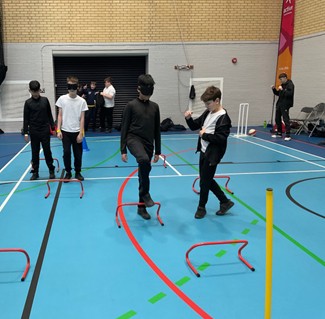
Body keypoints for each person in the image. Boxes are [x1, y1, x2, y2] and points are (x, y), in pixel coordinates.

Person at [184, 86, 234, 219]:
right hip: (203, 151)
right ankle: (225, 202)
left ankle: (201, 207)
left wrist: (204, 135)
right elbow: (195, 126)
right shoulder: (208, 113)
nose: (207, 106)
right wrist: (188, 118)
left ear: (217, 100)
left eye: (208, 103)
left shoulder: (223, 118)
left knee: (205, 182)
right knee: (207, 179)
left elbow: (221, 138)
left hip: (213, 154)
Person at [120, 74, 161, 220]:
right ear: (138, 88)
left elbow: (157, 130)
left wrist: (158, 151)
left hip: (149, 143)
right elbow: (124, 128)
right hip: (133, 139)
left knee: (144, 173)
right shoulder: (131, 106)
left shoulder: (155, 107)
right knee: (143, 160)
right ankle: (145, 193)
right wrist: (123, 149)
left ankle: (141, 207)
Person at [56, 75, 88, 181]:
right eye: (70, 86)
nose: (72, 89)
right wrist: (58, 130)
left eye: (74, 86)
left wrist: (81, 133)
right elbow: (59, 115)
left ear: (77, 87)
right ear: (67, 87)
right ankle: (68, 172)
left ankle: (78, 172)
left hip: (77, 132)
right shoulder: (62, 99)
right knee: (66, 153)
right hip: (65, 131)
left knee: (78, 154)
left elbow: (82, 118)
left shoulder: (82, 101)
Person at [23, 80, 56, 180]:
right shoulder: (28, 103)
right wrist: (25, 132)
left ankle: (51, 170)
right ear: (30, 91)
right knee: (34, 152)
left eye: (37, 91)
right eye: (34, 92)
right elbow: (26, 119)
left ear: (39, 90)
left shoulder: (45, 100)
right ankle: (35, 172)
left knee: (47, 151)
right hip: (34, 131)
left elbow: (50, 115)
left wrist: (53, 128)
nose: (36, 94)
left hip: (45, 130)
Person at [271, 73, 295, 141]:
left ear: (285, 78)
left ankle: (288, 134)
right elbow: (278, 93)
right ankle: (279, 133)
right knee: (277, 118)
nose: (280, 81)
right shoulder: (282, 85)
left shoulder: (290, 84)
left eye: (281, 79)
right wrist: (274, 89)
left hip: (286, 104)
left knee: (285, 119)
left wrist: (283, 90)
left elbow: (290, 94)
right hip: (280, 104)